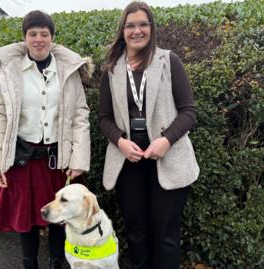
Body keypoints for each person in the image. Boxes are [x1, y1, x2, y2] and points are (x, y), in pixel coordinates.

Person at [0, 10, 92, 269]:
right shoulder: (9, 72)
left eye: (45, 33)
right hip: (22, 159)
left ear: (52, 38)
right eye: (33, 33)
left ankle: (56, 264)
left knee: (60, 217)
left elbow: (80, 116)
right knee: (25, 219)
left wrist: (78, 160)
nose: (39, 39)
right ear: (25, 37)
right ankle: (29, 264)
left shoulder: (69, 72)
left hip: (58, 160)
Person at [99, 2, 200, 269]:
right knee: (136, 232)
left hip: (166, 155)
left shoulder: (169, 61)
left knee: (166, 235)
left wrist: (166, 141)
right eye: (130, 25)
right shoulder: (111, 69)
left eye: (143, 24)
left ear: (152, 28)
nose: (137, 30)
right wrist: (120, 141)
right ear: (122, 30)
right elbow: (104, 119)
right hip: (128, 159)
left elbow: (189, 112)